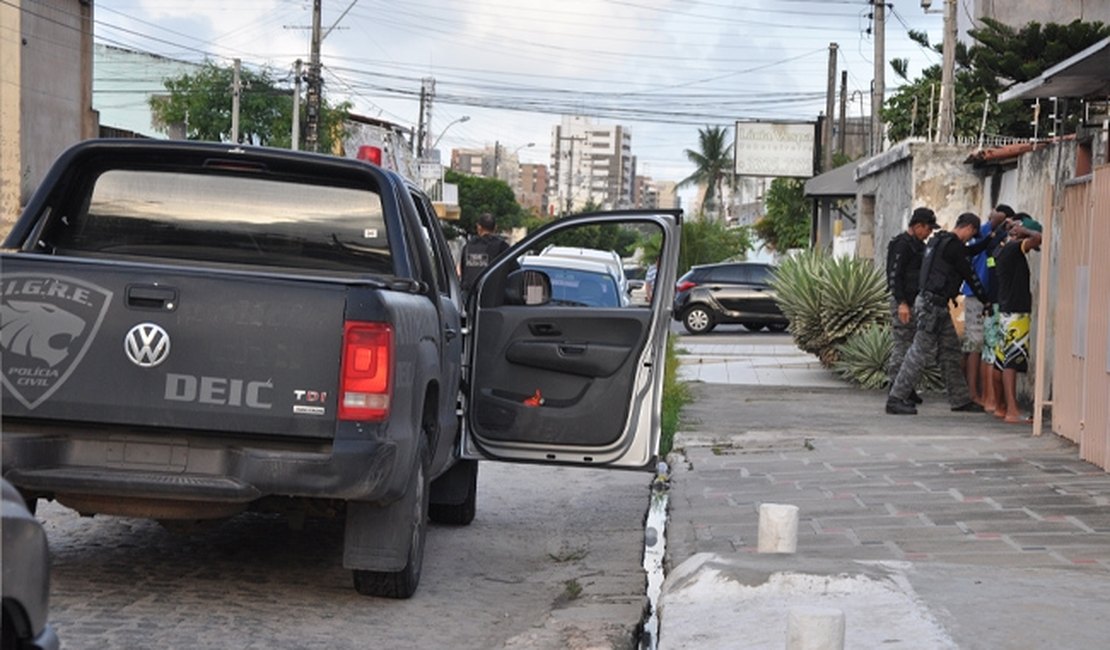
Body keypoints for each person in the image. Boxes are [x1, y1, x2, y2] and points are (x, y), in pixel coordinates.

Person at [886, 212, 992, 416]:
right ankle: (896, 397)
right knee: (917, 351)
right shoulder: (950, 245)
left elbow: (965, 255)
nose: (971, 238)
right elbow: (969, 274)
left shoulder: (939, 242)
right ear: (969, 228)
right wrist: (985, 299)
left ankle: (960, 399)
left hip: (936, 305)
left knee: (950, 352)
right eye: (972, 234)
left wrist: (989, 240)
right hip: (931, 307)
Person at [988, 215, 1043, 424]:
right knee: (1012, 361)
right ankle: (1012, 410)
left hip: (1004, 311)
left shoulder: (1000, 248)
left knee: (1000, 361)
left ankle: (1001, 407)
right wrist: (1024, 231)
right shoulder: (1012, 248)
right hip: (1016, 312)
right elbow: (1038, 239)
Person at [960, 204, 1014, 406]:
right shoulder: (982, 231)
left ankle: (974, 391)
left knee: (978, 345)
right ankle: (973, 393)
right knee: (975, 344)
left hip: (985, 295)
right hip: (976, 294)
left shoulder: (995, 237)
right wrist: (996, 220)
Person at [885, 207, 938, 404]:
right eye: (928, 228)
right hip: (904, 303)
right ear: (917, 226)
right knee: (902, 346)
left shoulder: (918, 245)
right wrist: (901, 303)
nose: (929, 233)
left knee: (912, 348)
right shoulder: (902, 244)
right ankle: (895, 388)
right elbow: (894, 276)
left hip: (915, 302)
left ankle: (906, 387)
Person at [459, 213, 510, 296]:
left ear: (479, 227)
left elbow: (464, 272)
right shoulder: (501, 246)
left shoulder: (468, 247)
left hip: (469, 298)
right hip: (492, 298)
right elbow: (514, 270)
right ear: (495, 227)